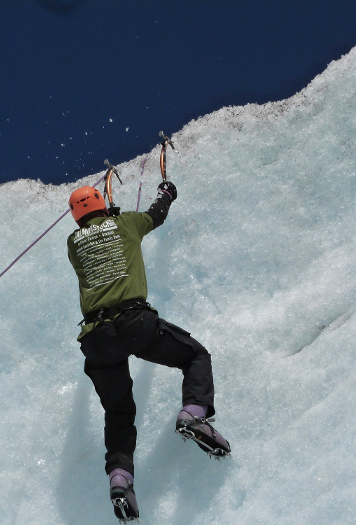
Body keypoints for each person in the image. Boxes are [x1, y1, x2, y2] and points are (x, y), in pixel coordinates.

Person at [66, 182, 230, 522]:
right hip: (133, 323)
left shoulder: (73, 243)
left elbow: (95, 238)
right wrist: (167, 193)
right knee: (194, 356)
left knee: (119, 412)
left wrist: (109, 218)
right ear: (101, 204)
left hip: (96, 337)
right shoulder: (126, 223)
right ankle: (194, 413)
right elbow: (156, 215)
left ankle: (120, 478)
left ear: (76, 216)